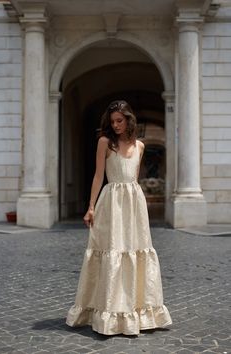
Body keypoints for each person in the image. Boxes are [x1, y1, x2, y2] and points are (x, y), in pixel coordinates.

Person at [66, 100, 172, 335]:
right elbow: (97, 176)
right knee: (112, 251)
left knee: (135, 251)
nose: (115, 125)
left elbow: (133, 177)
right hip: (111, 201)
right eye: (112, 121)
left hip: (134, 203)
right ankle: (109, 314)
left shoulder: (141, 146)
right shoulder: (105, 142)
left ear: (128, 120)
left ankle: (137, 312)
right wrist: (91, 207)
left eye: (119, 121)